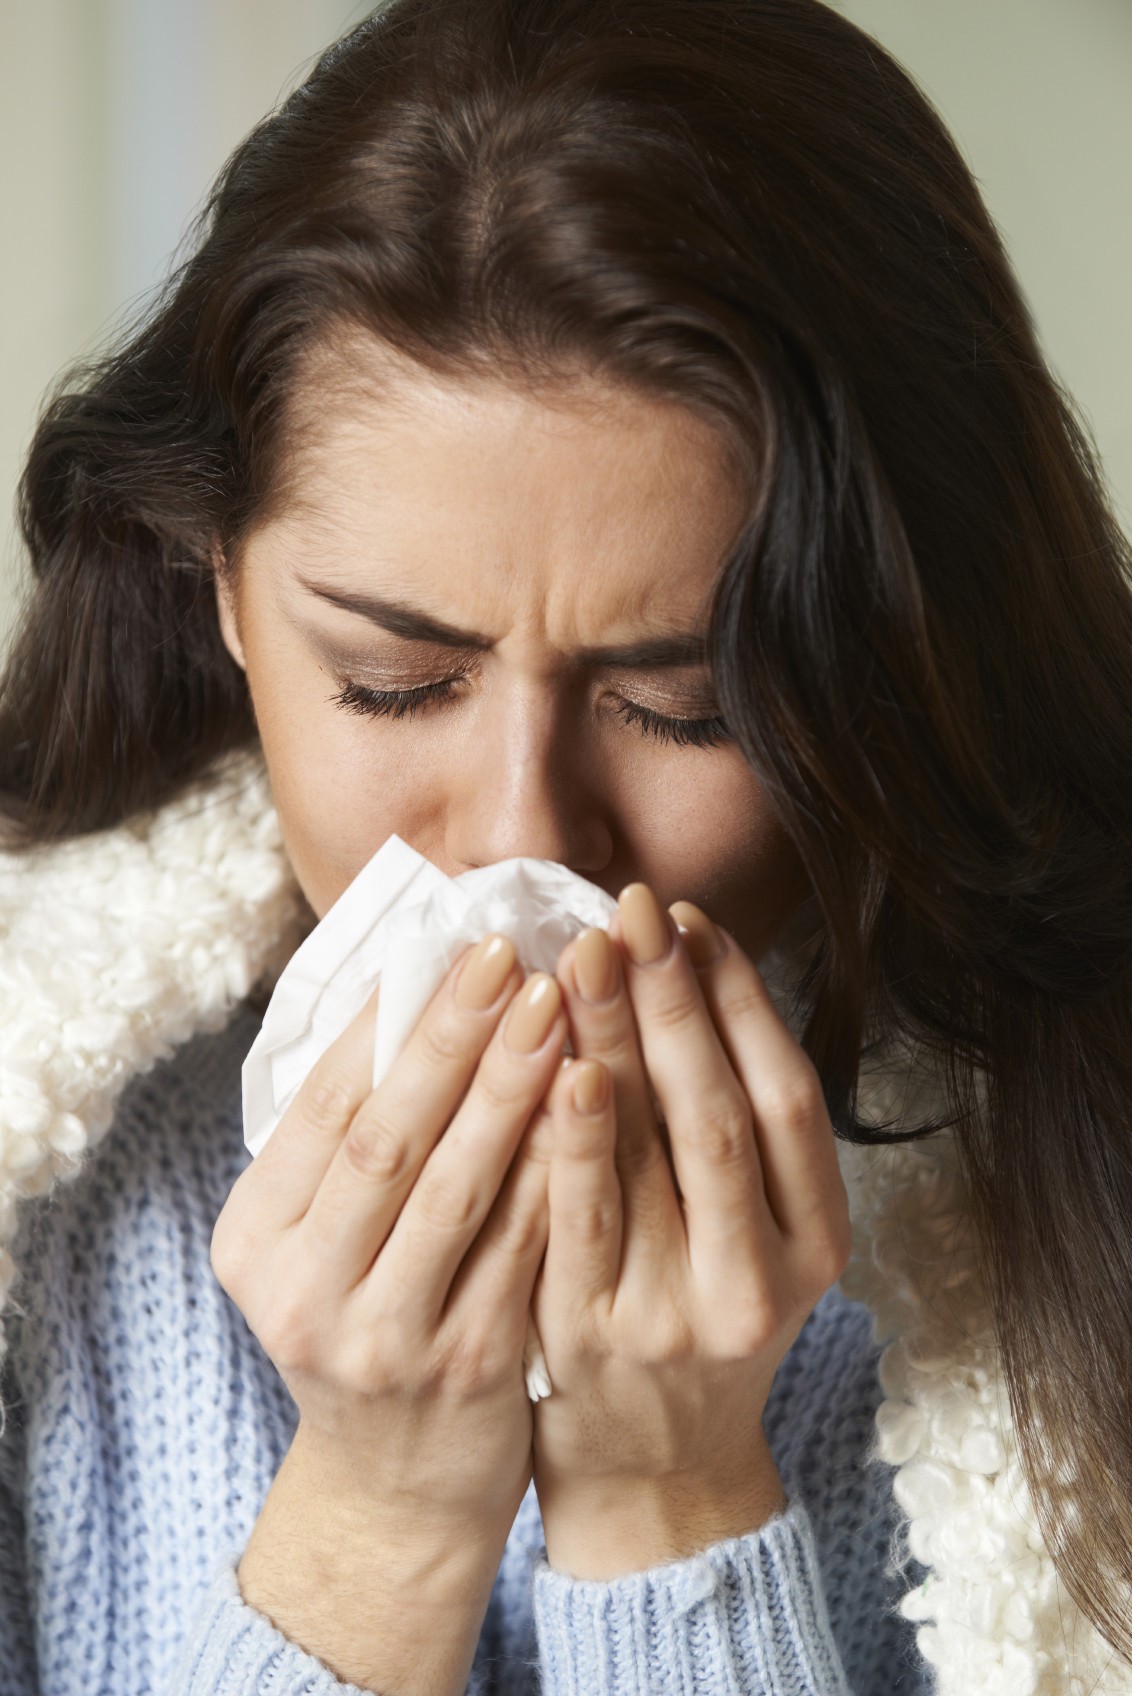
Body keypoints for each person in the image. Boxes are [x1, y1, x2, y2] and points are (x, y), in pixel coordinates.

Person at [1, 0, 1129, 1691]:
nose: (524, 835)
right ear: (217, 584)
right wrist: (377, 1520)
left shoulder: (1073, 1206)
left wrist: (677, 1502)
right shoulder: (49, 1176)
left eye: (683, 708)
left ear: (895, 649)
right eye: (394, 682)